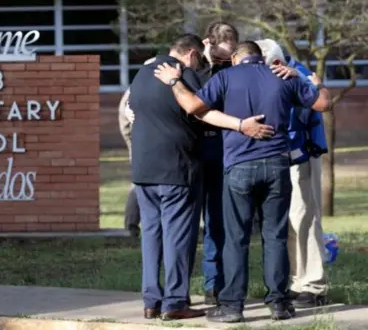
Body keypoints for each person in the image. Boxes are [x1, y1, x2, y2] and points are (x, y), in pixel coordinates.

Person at [153, 41, 332, 323]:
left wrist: (174, 81)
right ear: (261, 58)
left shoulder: (225, 76)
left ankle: (233, 306)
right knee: (275, 236)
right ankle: (279, 304)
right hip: (277, 165)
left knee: (236, 238)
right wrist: (316, 83)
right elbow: (323, 104)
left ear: (236, 58)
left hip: (239, 167)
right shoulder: (283, 75)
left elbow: (191, 106)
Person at [129, 34, 273, 321]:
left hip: (143, 169)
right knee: (177, 237)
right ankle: (175, 301)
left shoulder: (141, 75)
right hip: (177, 168)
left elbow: (134, 111)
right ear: (192, 54)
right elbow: (201, 110)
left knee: (152, 236)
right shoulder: (184, 75)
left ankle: (150, 301)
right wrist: (241, 125)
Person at [255, 39, 330, 308]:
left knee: (304, 219)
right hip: (273, 158)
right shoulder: (269, 70)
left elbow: (320, 103)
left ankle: (312, 286)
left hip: (300, 156)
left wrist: (304, 80)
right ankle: (292, 283)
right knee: (283, 224)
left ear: (275, 63)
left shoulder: (297, 74)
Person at [196, 21, 239, 305]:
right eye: (222, 55)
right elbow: (193, 100)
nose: (225, 61)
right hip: (196, 150)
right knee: (188, 222)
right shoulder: (194, 71)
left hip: (225, 149)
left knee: (218, 220)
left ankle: (216, 284)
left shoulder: (237, 71)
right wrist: (208, 64)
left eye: (230, 56)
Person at [119, 57, 157, 238]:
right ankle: (131, 224)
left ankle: (133, 223)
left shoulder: (139, 86)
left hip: (141, 139)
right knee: (138, 181)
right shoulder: (138, 88)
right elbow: (126, 121)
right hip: (140, 140)